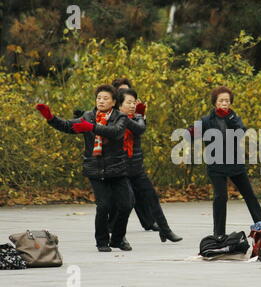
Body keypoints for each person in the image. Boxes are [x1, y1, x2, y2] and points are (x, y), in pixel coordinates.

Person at [35, 85, 134, 252]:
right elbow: (68, 126)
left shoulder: (121, 117)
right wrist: (51, 118)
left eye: (105, 98)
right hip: (95, 168)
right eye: (99, 98)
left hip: (117, 168)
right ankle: (102, 241)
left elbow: (115, 132)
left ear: (114, 102)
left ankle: (117, 239)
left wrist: (92, 127)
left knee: (126, 204)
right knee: (104, 206)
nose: (101, 101)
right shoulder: (88, 116)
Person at [188, 86, 261, 236]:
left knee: (250, 195)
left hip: (235, 163)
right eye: (221, 100)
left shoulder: (234, 118)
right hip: (216, 165)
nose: (224, 103)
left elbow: (241, 131)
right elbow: (190, 135)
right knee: (220, 197)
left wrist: (229, 118)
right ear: (215, 103)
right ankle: (219, 234)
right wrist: (191, 131)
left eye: (227, 101)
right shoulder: (206, 120)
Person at [110, 88, 182, 242]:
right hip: (119, 170)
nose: (132, 105)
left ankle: (165, 230)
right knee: (126, 203)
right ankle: (119, 236)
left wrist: (138, 116)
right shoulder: (111, 120)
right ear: (119, 104)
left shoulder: (137, 118)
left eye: (134, 102)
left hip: (136, 169)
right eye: (128, 102)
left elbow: (140, 129)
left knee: (152, 197)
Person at [109, 78, 160, 232]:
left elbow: (140, 128)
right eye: (121, 91)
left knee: (143, 193)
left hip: (134, 159)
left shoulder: (135, 111)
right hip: (117, 160)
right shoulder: (110, 112)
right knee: (121, 196)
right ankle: (111, 225)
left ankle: (149, 221)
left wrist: (141, 115)